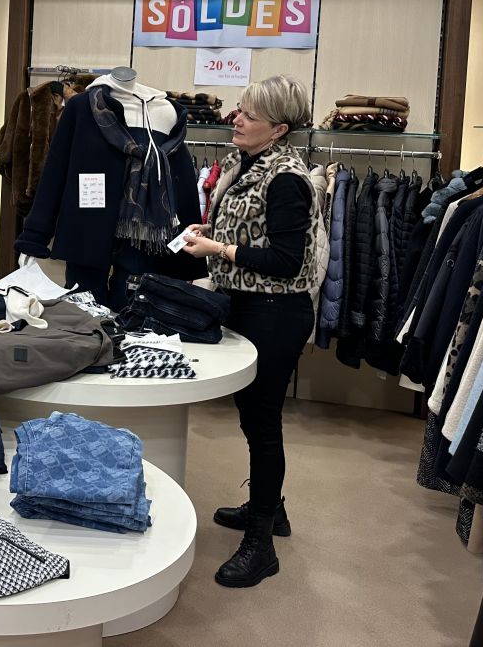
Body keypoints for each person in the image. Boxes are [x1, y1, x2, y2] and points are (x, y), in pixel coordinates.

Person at [181, 75, 323, 589]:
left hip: (275, 312)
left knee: (263, 424)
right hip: (245, 305)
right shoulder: (245, 162)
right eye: (238, 110)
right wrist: (212, 233)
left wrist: (218, 250)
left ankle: (261, 544)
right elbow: (253, 233)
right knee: (251, 416)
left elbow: (287, 261)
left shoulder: (287, 178)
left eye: (249, 115)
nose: (235, 119)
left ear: (279, 129)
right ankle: (270, 509)